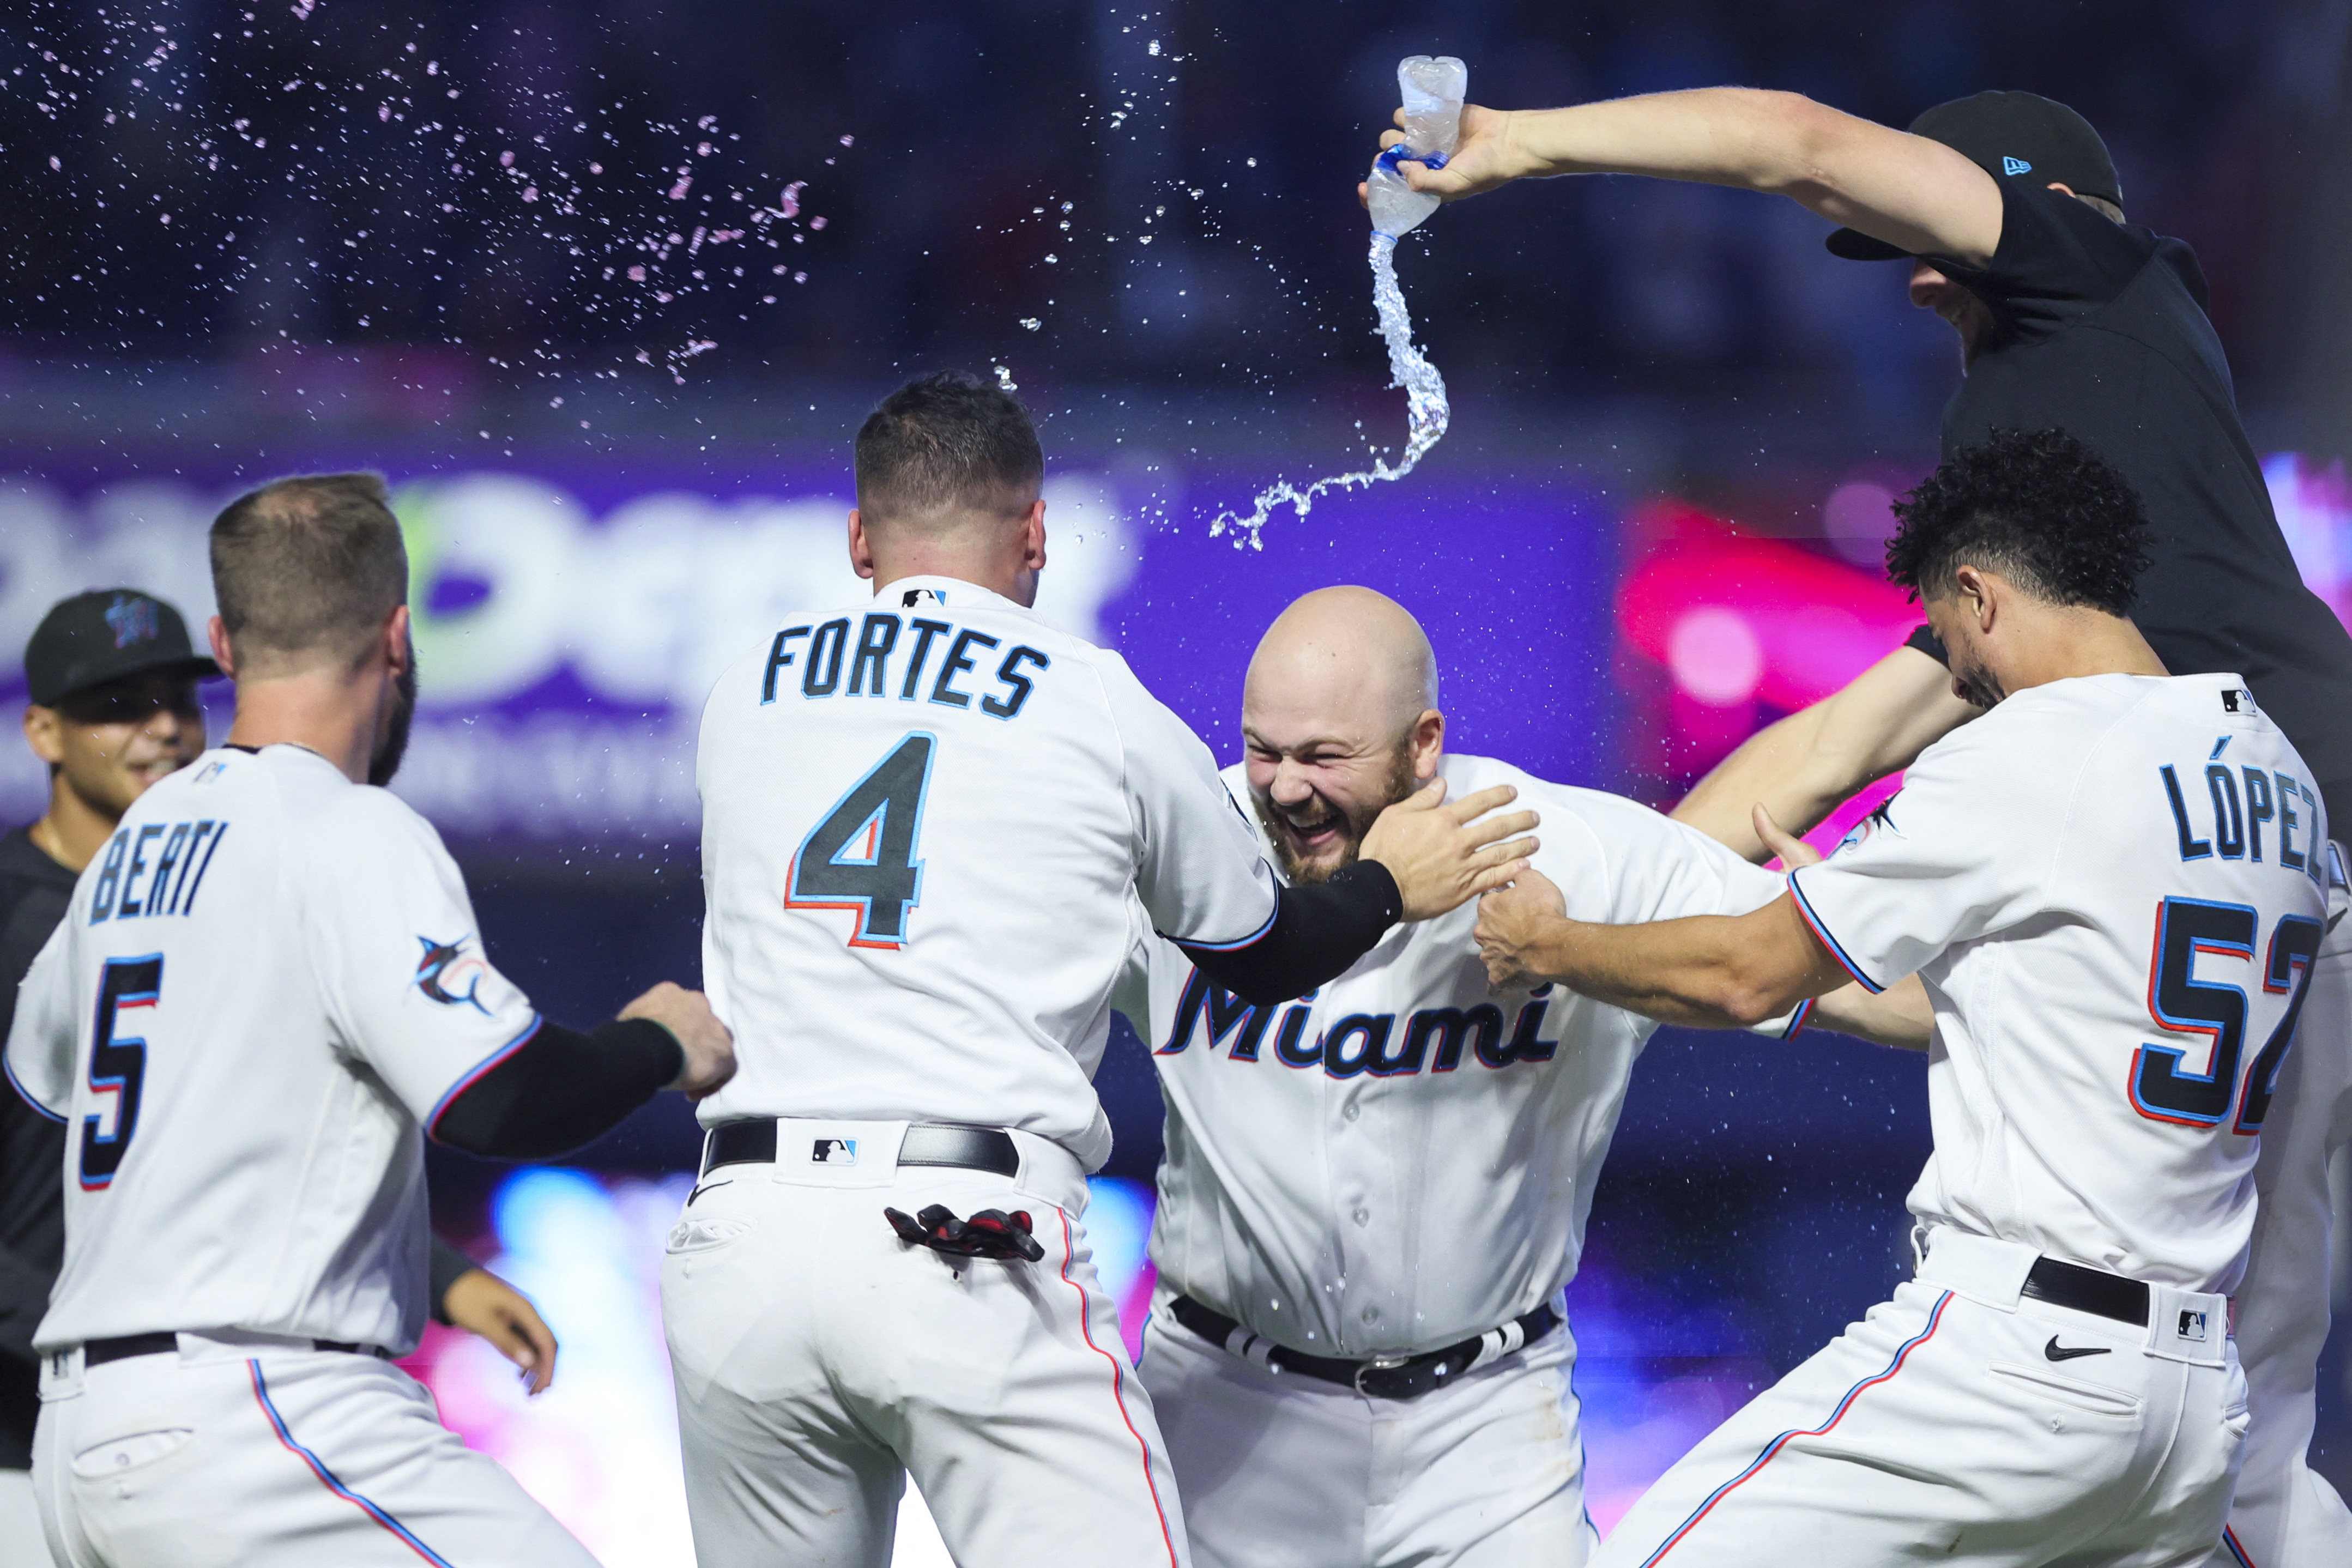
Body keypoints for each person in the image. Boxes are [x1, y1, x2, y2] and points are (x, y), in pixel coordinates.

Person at [1380, 85, 2352, 1567]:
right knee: (2235, 1424)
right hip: (2266, 843)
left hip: (2296, 848)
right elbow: (1829, 747)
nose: (1905, 271)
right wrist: (1613, 940)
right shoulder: (2066, 563)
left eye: (1925, 229)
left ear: (2031, 204)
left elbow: (1797, 140)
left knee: (2246, 1421)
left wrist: (1526, 143)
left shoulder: (2100, 277)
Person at [663, 372, 1536, 1568]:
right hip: (957, 1236)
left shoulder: (740, 690)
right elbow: (1264, 954)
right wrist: (1388, 886)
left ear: (858, 537)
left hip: (740, 1238)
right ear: (1034, 533)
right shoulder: (1090, 699)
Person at [1474, 429, 2318, 1565]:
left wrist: (1557, 940)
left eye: (1941, 629)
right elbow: (2020, 1007)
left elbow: (1741, 971)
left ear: (1976, 593)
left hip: (2017, 1361)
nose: (1955, 677)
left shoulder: (2032, 750)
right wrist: (1851, 941)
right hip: (2189, 1401)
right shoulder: (2275, 769)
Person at [3, 476, 735, 1567]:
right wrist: (660, 1042)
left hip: (75, 1438)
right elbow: (502, 1098)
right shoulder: (343, 828)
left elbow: (48, 1083)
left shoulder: (133, 843)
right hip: (257, 1408)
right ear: (397, 636)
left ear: (224, 636)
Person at [1115, 585, 1925, 1568]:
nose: (1285, 788)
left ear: (1424, 744)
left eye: (1326, 757)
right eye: (1264, 751)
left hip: (1487, 1438)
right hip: (1223, 1416)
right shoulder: (1180, 847)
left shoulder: (1571, 852)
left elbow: (1887, 997)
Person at [0, 588, 570, 1568]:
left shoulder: (210, 884)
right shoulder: (20, 916)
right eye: (118, 704)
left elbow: (229, 1142)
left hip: (105, 1417)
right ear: (42, 730)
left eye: (180, 696)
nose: (163, 727)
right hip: (49, 1427)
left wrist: (436, 1275)